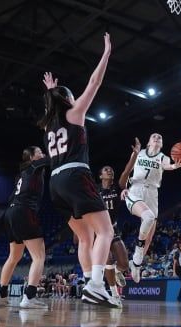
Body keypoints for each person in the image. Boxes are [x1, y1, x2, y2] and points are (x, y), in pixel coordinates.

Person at [38, 33, 118, 308]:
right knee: (105, 232)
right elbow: (95, 82)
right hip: (75, 175)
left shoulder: (50, 126)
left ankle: (88, 284)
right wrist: (106, 53)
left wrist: (51, 90)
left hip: (55, 183)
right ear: (69, 100)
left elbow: (54, 101)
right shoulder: (74, 114)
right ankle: (96, 285)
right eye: (72, 96)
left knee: (85, 236)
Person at [121, 134, 181, 283]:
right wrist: (124, 187)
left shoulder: (163, 157)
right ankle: (137, 256)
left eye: (160, 138)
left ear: (162, 144)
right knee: (149, 217)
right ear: (149, 142)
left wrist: (177, 165)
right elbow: (127, 170)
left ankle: (136, 264)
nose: (157, 138)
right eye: (154, 137)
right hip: (135, 189)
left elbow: (168, 166)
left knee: (150, 235)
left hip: (152, 193)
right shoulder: (139, 153)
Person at [0, 146, 48, 309]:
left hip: (10, 212)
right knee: (39, 256)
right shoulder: (35, 166)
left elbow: (12, 196)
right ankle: (29, 297)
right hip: (24, 211)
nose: (42, 154)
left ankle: (1, 295)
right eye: (39, 152)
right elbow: (55, 157)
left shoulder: (21, 174)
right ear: (31, 157)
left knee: (14, 257)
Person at [97, 164, 131, 301]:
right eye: (106, 169)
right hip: (98, 231)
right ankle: (114, 294)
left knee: (124, 264)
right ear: (101, 176)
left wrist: (134, 154)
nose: (109, 170)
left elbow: (127, 171)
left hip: (113, 228)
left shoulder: (117, 187)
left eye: (111, 169)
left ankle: (117, 272)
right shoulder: (95, 190)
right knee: (108, 261)